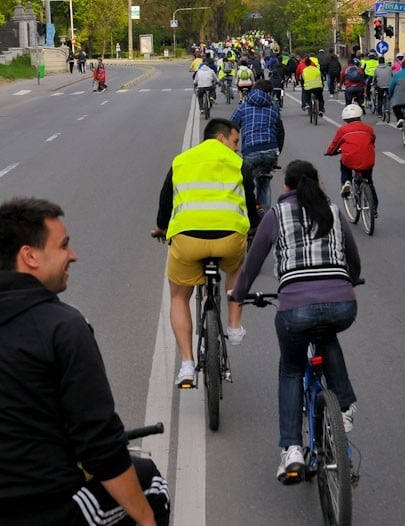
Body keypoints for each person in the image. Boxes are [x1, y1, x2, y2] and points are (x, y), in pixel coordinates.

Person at [0, 197, 170, 526]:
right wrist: (146, 520)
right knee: (151, 484)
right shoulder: (62, 325)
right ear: (30, 256)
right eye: (64, 245)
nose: (73, 255)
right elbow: (101, 444)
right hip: (48, 512)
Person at [230, 160, 361, 483]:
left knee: (291, 369)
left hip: (295, 309)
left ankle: (292, 449)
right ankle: (344, 406)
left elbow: (252, 263)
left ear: (285, 187)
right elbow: (353, 255)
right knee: (326, 333)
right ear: (317, 183)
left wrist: (238, 294)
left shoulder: (275, 215)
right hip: (342, 303)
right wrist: (351, 280)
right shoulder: (332, 209)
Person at [151, 118, 260, 387]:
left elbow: (166, 198)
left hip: (188, 240)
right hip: (228, 239)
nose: (237, 148)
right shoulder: (238, 164)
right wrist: (253, 229)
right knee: (235, 268)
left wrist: (162, 228)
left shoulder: (181, 161)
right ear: (221, 138)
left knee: (178, 295)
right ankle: (234, 327)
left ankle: (187, 364)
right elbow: (249, 200)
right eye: (235, 142)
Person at [231, 80, 285, 210]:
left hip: (251, 151)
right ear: (269, 93)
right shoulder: (273, 108)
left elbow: (231, 127)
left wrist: (233, 147)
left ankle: (249, 213)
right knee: (265, 182)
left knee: (247, 184)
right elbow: (280, 133)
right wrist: (277, 152)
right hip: (270, 151)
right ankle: (264, 216)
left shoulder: (243, 107)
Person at [326, 103, 379, 214]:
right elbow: (372, 140)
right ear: (360, 116)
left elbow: (335, 145)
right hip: (367, 159)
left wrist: (330, 152)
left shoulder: (343, 130)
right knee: (369, 180)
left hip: (350, 159)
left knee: (344, 163)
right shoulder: (368, 128)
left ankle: (347, 182)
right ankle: (373, 208)